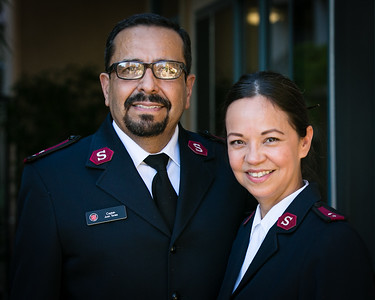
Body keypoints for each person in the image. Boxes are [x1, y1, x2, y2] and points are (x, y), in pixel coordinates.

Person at [9, 13, 255, 299]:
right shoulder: (51, 179)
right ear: (106, 86)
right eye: (129, 68)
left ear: (187, 89)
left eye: (167, 69)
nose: (148, 86)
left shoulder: (229, 165)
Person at [217, 71, 375, 300]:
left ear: (304, 142)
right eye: (238, 142)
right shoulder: (242, 231)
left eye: (270, 139)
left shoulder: (335, 243)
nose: (253, 158)